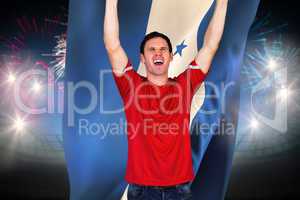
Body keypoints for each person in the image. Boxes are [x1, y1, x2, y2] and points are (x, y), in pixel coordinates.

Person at [104, 0, 228, 199]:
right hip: (142, 189)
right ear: (143, 59)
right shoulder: (131, 86)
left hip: (178, 190)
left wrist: (222, 2)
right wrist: (110, 2)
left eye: (163, 49)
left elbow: (211, 45)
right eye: (151, 49)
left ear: (170, 57)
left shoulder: (184, 86)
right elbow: (113, 46)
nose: (158, 53)